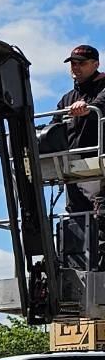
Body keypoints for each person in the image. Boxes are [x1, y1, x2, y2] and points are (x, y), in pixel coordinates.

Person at [57, 45, 105, 269]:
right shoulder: (67, 98)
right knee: (76, 222)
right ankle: (77, 271)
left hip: (100, 165)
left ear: (95, 64)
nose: (75, 67)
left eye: (81, 63)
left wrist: (88, 107)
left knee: (101, 218)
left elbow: (99, 106)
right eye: (73, 63)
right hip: (74, 170)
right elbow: (54, 128)